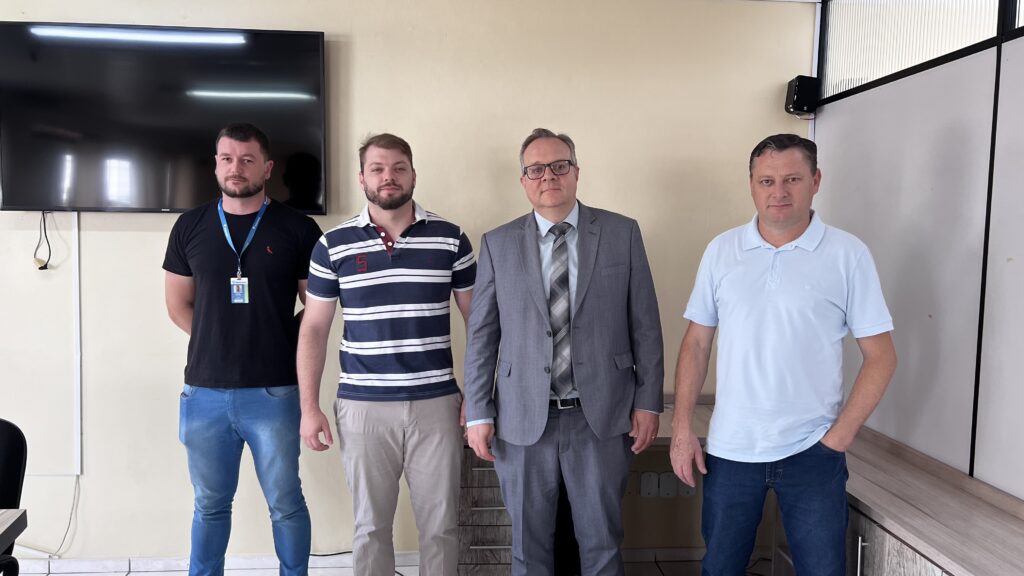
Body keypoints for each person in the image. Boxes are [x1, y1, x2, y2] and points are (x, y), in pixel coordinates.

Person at [670, 134, 898, 575]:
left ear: (816, 181)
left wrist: (837, 440)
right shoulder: (722, 251)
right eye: (767, 181)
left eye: (792, 179)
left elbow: (882, 357)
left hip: (813, 451)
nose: (779, 191)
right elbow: (696, 343)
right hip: (732, 449)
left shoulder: (848, 255)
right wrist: (681, 428)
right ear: (751, 185)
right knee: (720, 569)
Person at [463, 128, 664, 576]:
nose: (548, 176)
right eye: (536, 169)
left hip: (602, 416)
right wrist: (477, 411)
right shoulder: (497, 243)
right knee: (528, 548)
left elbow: (646, 327)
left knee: (602, 543)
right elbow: (482, 336)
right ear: (523, 180)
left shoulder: (621, 233)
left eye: (559, 165)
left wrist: (649, 402)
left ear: (576, 172)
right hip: (520, 419)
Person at [296, 133, 476, 576]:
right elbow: (314, 328)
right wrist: (309, 407)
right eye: (377, 168)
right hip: (362, 407)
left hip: (437, 405)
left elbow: (479, 324)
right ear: (362, 178)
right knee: (370, 528)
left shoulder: (451, 239)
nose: (388, 177)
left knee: (441, 527)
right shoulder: (333, 245)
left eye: (398, 168)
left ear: (413, 174)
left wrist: (478, 395)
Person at [164, 123, 322, 576]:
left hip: (275, 392)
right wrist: (216, 337)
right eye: (227, 158)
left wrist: (278, 337)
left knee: (285, 503)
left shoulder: (298, 229)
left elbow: (317, 308)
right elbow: (177, 304)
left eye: (248, 159)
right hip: (204, 394)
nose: (236, 167)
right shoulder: (189, 226)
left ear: (267, 168)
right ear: (216, 165)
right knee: (209, 505)